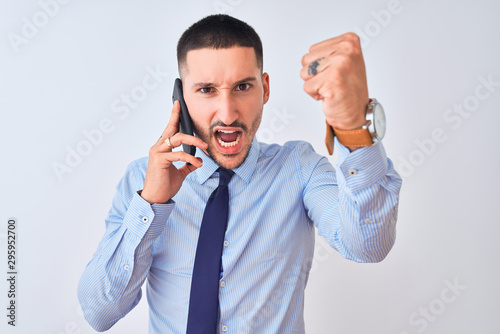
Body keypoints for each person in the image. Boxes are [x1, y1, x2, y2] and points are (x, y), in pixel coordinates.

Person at [78, 14, 402, 333]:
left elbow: (368, 245)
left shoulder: (299, 168)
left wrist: (353, 127)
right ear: (180, 98)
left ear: (264, 89)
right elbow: (98, 313)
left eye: (242, 87)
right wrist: (150, 203)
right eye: (206, 90)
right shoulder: (141, 180)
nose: (228, 113)